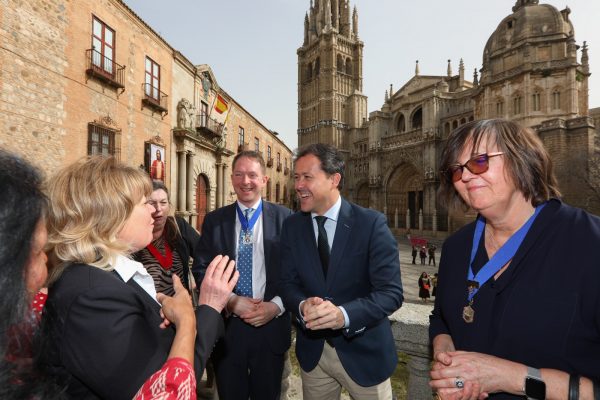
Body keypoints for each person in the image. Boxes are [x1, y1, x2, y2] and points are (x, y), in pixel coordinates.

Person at [38, 156, 239, 400]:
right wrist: (202, 310)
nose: (155, 212)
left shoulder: (106, 274)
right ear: (112, 214)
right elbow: (165, 389)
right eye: (145, 203)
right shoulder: (92, 296)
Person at [429, 119, 600, 399]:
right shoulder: (456, 247)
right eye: (456, 171)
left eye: (479, 161)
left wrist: (509, 377)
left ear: (523, 159)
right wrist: (444, 352)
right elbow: (442, 318)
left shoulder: (590, 245)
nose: (466, 176)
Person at [280, 143, 403, 400]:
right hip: (314, 357)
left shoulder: (371, 224)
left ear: (334, 179)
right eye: (296, 177)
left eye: (307, 177)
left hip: (365, 355)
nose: (299, 185)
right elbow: (287, 283)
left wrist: (343, 315)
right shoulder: (292, 226)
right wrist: (303, 306)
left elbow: (391, 292)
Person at [192, 150, 292, 400]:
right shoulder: (215, 221)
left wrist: (276, 306)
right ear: (232, 179)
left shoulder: (286, 219)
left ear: (264, 180)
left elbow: (297, 272)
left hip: (270, 326)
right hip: (228, 329)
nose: (245, 181)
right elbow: (201, 269)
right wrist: (232, 301)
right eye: (238, 174)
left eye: (252, 175)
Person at [133, 180, 199, 297]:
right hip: (149, 310)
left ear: (169, 205)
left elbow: (204, 253)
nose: (158, 208)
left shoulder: (178, 226)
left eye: (163, 202)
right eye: (152, 203)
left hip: (181, 307)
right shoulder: (135, 234)